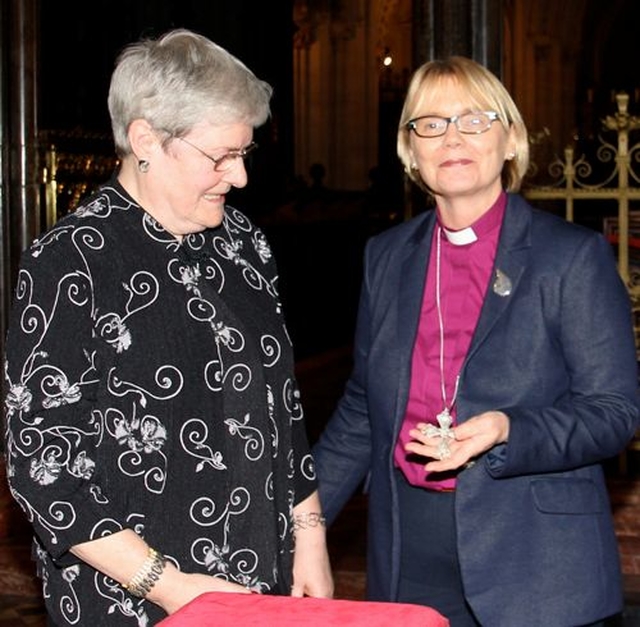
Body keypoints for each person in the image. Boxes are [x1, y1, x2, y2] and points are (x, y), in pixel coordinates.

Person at [3, 28, 333, 626]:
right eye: (221, 156)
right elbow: (44, 469)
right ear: (145, 140)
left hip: (261, 579)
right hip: (132, 599)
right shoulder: (72, 260)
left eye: (245, 154)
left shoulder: (244, 243)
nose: (239, 178)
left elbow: (282, 409)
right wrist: (170, 587)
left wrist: (309, 538)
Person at [311, 55, 639, 627]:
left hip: (535, 559)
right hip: (407, 555)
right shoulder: (386, 257)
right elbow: (363, 406)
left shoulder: (570, 257)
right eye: (431, 124)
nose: (453, 137)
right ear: (411, 151)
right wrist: (302, 521)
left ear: (510, 139)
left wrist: (508, 429)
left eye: (475, 120)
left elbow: (614, 414)